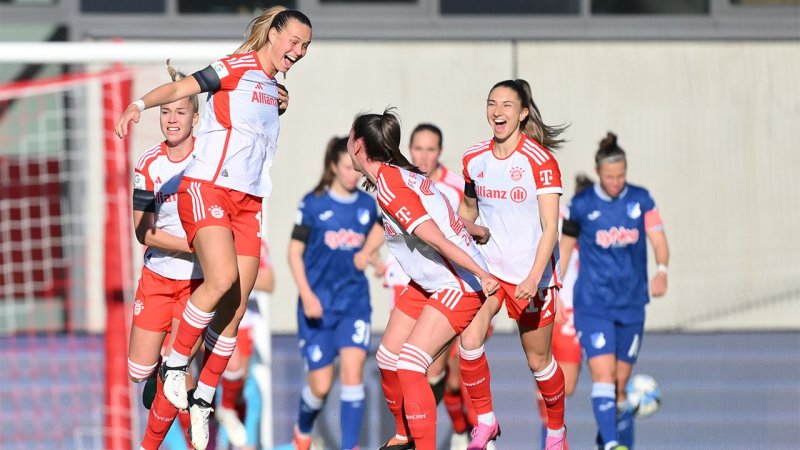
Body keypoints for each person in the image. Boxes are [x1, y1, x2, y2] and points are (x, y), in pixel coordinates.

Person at [115, 7, 312, 450]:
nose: (299, 51)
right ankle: (172, 368)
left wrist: (280, 98)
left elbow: (257, 114)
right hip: (209, 198)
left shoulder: (271, 87)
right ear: (273, 35)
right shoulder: (234, 67)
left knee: (235, 308)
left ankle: (202, 398)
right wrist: (138, 104)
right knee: (146, 366)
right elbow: (182, 85)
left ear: (194, 119)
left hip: (247, 204)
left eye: (305, 46)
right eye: (294, 41)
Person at [346, 108, 499, 450]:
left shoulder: (391, 187)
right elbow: (443, 216)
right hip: (431, 279)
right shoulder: (398, 175)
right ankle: (405, 435)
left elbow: (437, 238)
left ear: (358, 146)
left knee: (411, 364)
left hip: (456, 282)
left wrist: (481, 274)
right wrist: (475, 230)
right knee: (388, 357)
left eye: (349, 136)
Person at [457, 79, 569, 450]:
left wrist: (535, 277)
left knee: (539, 362)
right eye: (492, 103)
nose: (497, 111)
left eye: (507, 105)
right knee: (469, 341)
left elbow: (551, 228)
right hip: (489, 270)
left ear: (522, 114)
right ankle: (485, 421)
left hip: (530, 275)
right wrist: (461, 242)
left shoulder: (540, 161)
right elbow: (469, 209)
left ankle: (556, 431)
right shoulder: (474, 158)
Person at [559, 133, 669, 450]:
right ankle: (610, 444)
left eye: (621, 175)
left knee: (620, 383)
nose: (616, 182)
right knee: (603, 375)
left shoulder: (641, 200)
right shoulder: (582, 206)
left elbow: (659, 240)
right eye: (610, 177)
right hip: (593, 305)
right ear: (598, 172)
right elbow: (564, 249)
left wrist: (662, 270)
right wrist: (555, 290)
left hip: (632, 304)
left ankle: (605, 435)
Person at [288, 136, 384, 450]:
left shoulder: (367, 205)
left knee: (353, 376)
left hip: (354, 305)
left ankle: (350, 446)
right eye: (346, 167)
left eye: (356, 167)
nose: (353, 173)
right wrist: (307, 295)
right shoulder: (313, 204)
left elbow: (374, 239)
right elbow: (294, 253)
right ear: (332, 167)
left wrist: (376, 260)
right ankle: (303, 429)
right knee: (320, 385)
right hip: (318, 307)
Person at [128, 62, 202, 450]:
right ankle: (157, 370)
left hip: (198, 282)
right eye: (166, 112)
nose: (172, 119)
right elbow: (144, 232)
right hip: (158, 276)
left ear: (196, 117)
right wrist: (192, 244)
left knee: (180, 371)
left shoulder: (210, 158)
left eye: (180, 111)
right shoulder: (148, 164)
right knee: (138, 371)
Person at [534, 173, 593, 449]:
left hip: (579, 313)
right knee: (549, 379)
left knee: (566, 386)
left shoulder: (596, 229)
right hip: (556, 308)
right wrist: (551, 292)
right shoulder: (561, 220)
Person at [217, 239, 275, 450]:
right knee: (222, 383)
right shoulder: (212, 234)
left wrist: (235, 274)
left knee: (244, 385)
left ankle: (245, 443)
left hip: (244, 322)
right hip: (214, 318)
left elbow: (269, 282)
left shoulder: (255, 241)